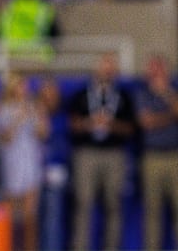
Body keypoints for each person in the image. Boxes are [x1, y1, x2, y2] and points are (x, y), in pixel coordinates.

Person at [67, 51, 136, 251]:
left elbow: (131, 128)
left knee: (114, 205)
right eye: (104, 66)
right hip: (87, 154)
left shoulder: (123, 96)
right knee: (83, 203)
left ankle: (112, 247)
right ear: (96, 69)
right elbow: (73, 123)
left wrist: (111, 125)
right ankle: (80, 247)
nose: (107, 70)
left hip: (114, 154)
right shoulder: (82, 94)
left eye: (111, 67)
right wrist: (91, 123)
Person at [0, 72, 49, 251]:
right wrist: (19, 118)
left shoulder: (34, 107)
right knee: (11, 219)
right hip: (12, 165)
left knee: (30, 218)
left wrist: (39, 115)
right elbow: (5, 137)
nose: (24, 89)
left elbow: (43, 134)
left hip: (30, 165)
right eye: (20, 85)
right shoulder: (2, 109)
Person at [134, 54, 178, 250]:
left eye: (158, 69)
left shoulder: (173, 92)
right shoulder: (142, 94)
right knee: (152, 210)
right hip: (151, 158)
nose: (155, 74)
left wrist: (166, 93)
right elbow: (146, 123)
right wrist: (169, 116)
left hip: (174, 157)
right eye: (152, 70)